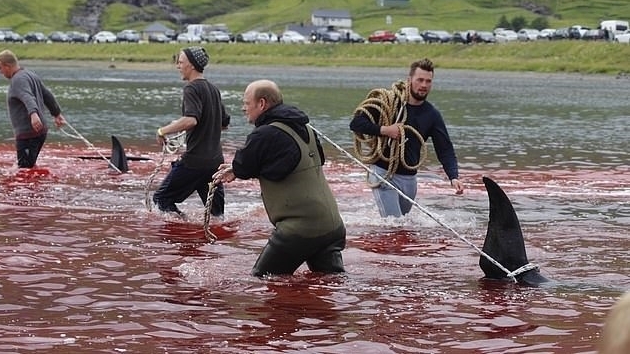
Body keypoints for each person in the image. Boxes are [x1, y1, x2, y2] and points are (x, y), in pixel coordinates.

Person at [213, 79, 346, 277]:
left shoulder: (265, 134)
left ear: (262, 104)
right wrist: (237, 169)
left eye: (246, 103)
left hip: (299, 231)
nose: (243, 108)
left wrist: (235, 169)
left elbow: (244, 163)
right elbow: (278, 162)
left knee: (260, 281)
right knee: (329, 283)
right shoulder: (307, 130)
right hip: (333, 227)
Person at [349, 58, 464, 218]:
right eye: (420, 80)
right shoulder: (388, 102)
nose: (424, 85)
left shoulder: (432, 115)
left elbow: (444, 149)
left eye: (428, 81)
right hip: (383, 173)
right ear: (409, 80)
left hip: (409, 178)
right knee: (394, 224)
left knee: (403, 226)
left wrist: (453, 176)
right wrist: (385, 130)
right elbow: (356, 123)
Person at [153, 46, 230, 218]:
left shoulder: (191, 89)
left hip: (194, 162)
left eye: (180, 62)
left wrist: (162, 131)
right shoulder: (214, 89)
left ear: (192, 66)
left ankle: (183, 227)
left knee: (161, 200)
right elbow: (224, 124)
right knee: (217, 216)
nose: (177, 66)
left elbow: (191, 120)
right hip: (215, 163)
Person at [0, 49, 66, 168]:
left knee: (24, 170)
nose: (0, 72)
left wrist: (33, 114)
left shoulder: (17, 80)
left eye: (0, 68)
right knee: (29, 167)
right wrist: (57, 114)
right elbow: (47, 95)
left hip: (28, 134)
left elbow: (27, 97)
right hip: (40, 131)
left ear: (7, 66)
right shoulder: (30, 74)